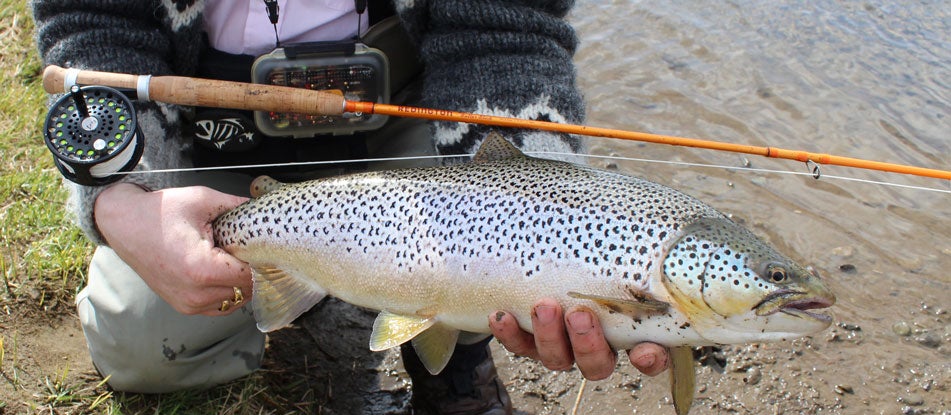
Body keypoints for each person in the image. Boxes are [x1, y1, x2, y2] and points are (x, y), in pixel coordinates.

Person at [33, 0, 669, 413]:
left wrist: (541, 197)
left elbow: (505, 33)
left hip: (414, 108)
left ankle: (455, 347)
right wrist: (119, 195)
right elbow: (94, 21)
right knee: (141, 344)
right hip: (209, 131)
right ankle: (309, 282)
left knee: (518, 250)